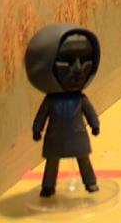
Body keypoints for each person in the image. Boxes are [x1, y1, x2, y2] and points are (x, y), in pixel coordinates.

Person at [24, 24, 102, 198]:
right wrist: (37, 129)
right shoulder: (51, 100)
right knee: (52, 163)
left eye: (85, 59)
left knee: (83, 160)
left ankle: (90, 182)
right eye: (67, 60)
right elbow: (41, 116)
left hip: (77, 135)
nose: (78, 68)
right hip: (55, 136)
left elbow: (89, 112)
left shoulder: (80, 99)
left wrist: (94, 124)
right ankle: (48, 186)